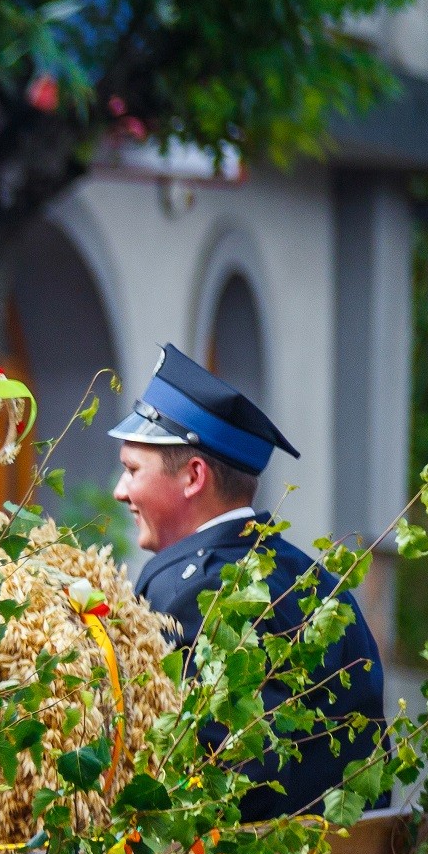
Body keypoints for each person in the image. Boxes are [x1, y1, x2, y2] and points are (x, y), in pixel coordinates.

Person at [110, 345, 384, 820]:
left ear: (194, 476)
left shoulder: (194, 593)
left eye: (133, 470)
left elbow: (222, 787)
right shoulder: (313, 579)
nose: (120, 491)